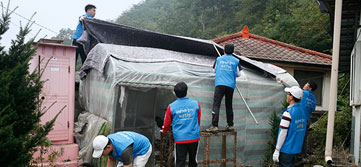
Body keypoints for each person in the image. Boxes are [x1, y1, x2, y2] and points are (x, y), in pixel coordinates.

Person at [162, 82, 201, 167]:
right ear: (186, 91)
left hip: (180, 139)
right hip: (194, 137)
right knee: (193, 161)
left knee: (180, 162)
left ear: (175, 93)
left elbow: (167, 123)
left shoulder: (171, 106)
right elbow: (198, 120)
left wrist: (164, 130)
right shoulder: (196, 104)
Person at [206, 43, 242, 132]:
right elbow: (238, 74)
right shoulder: (236, 60)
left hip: (220, 84)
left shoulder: (219, 59)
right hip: (230, 85)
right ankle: (230, 125)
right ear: (233, 51)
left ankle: (215, 126)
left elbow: (214, 70)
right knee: (229, 105)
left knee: (216, 104)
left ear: (224, 50)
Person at [273, 86, 307, 167]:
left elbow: (283, 132)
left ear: (291, 97)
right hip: (298, 151)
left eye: (288, 94)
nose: (286, 96)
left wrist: (277, 150)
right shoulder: (302, 112)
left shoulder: (288, 113)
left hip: (287, 151)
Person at [299, 80, 317, 156]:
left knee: (298, 137)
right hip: (307, 120)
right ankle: (304, 154)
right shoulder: (313, 99)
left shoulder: (302, 93)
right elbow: (313, 108)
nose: (305, 84)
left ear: (310, 88)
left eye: (307, 84)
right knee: (304, 138)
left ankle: (298, 155)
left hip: (299, 119)